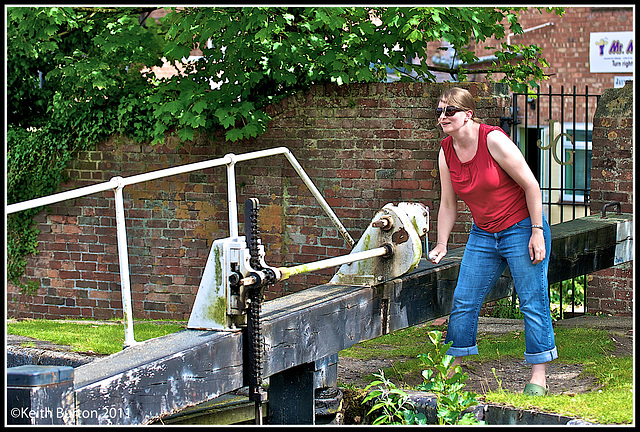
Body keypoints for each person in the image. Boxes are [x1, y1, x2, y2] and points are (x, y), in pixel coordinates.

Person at [428, 87, 557, 396]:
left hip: (521, 227)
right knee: (464, 299)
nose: (443, 117)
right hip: (484, 232)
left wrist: (537, 232)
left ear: (468, 114)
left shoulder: (493, 140)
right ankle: (451, 371)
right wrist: (442, 243)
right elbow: (448, 204)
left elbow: (531, 185)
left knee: (532, 300)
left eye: (450, 111)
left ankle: (538, 375)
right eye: (439, 112)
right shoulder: (446, 152)